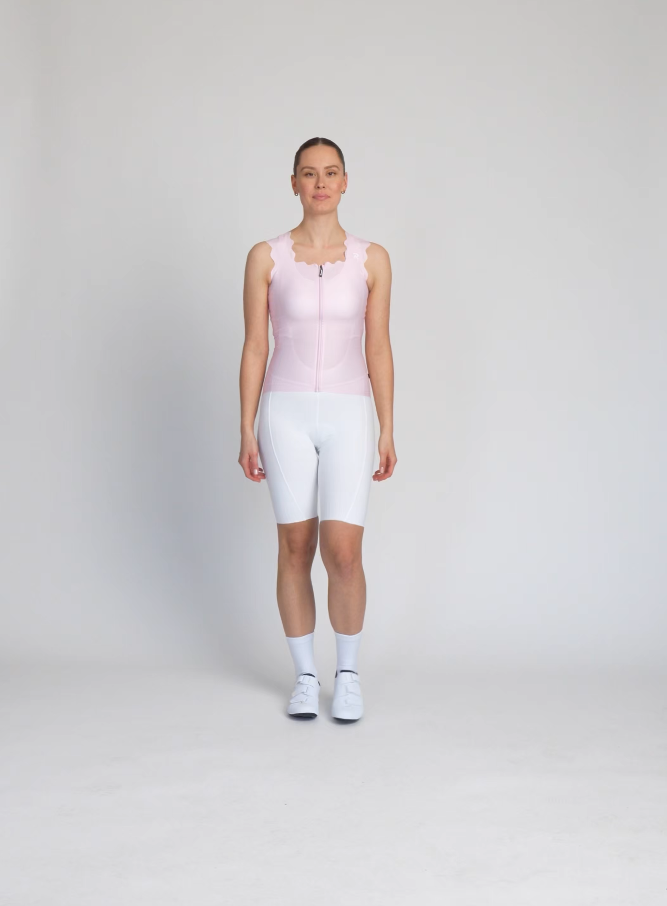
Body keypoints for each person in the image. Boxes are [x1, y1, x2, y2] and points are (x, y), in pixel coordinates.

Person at [238, 137, 396, 721]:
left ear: (345, 182)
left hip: (350, 412)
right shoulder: (267, 257)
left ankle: (347, 675)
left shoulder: (372, 258)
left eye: (331, 173)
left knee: (344, 552)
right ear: (294, 183)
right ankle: (305, 676)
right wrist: (246, 427)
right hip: (284, 412)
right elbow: (255, 346)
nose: (320, 183)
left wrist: (387, 425)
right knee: (295, 546)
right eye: (309, 173)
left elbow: (378, 346)